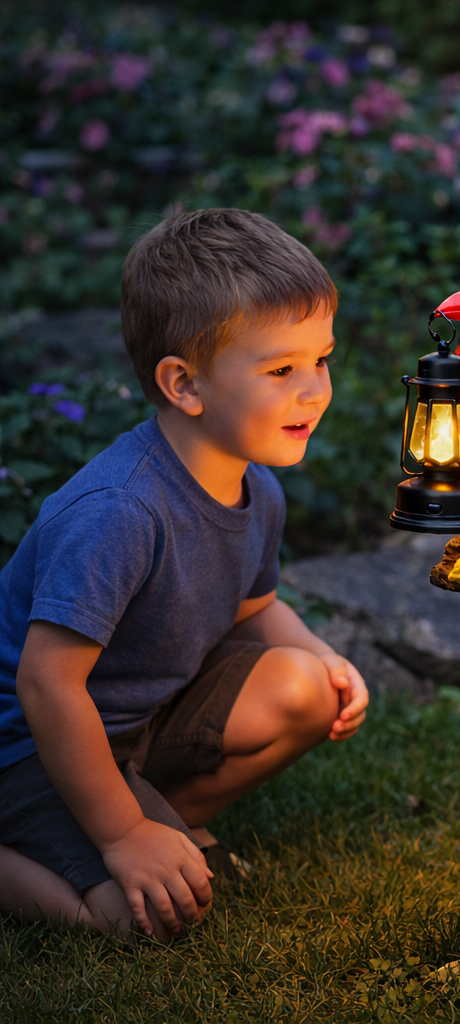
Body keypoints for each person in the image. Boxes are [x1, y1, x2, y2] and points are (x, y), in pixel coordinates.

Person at [0, 209, 369, 938]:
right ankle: (115, 836)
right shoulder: (120, 510)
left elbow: (253, 607)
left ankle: (160, 820)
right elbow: (46, 684)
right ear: (185, 385)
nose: (315, 390)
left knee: (303, 688)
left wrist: (326, 660)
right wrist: (120, 837)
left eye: (320, 360)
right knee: (140, 921)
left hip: (138, 723)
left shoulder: (255, 485)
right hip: (30, 746)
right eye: (281, 370)